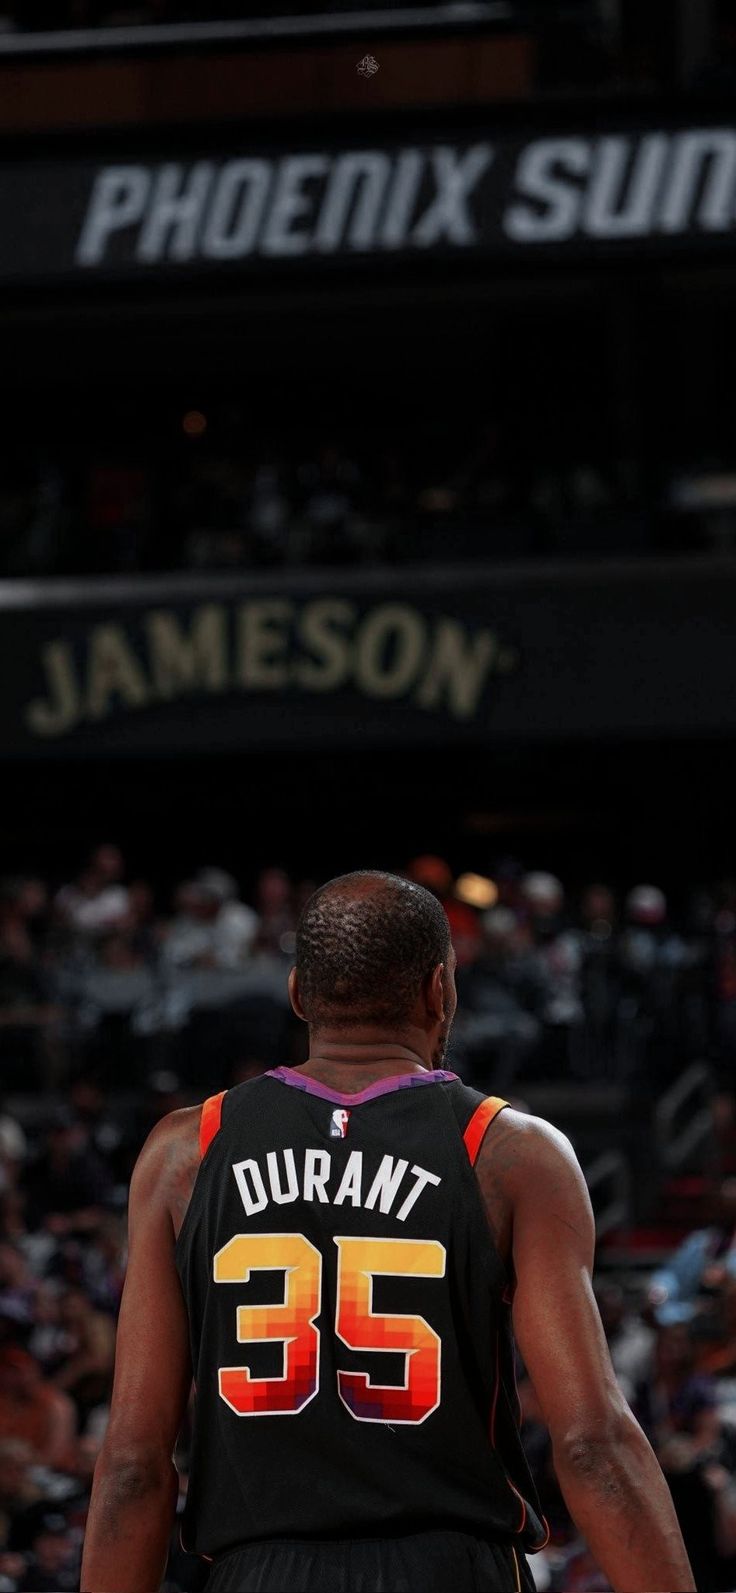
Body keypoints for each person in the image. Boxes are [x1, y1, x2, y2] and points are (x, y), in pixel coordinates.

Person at [81, 871, 694, 1593]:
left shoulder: (186, 1151)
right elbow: (593, 1444)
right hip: (452, 1567)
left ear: (299, 994)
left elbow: (132, 1466)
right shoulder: (508, 1150)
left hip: (258, 1571)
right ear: (439, 990)